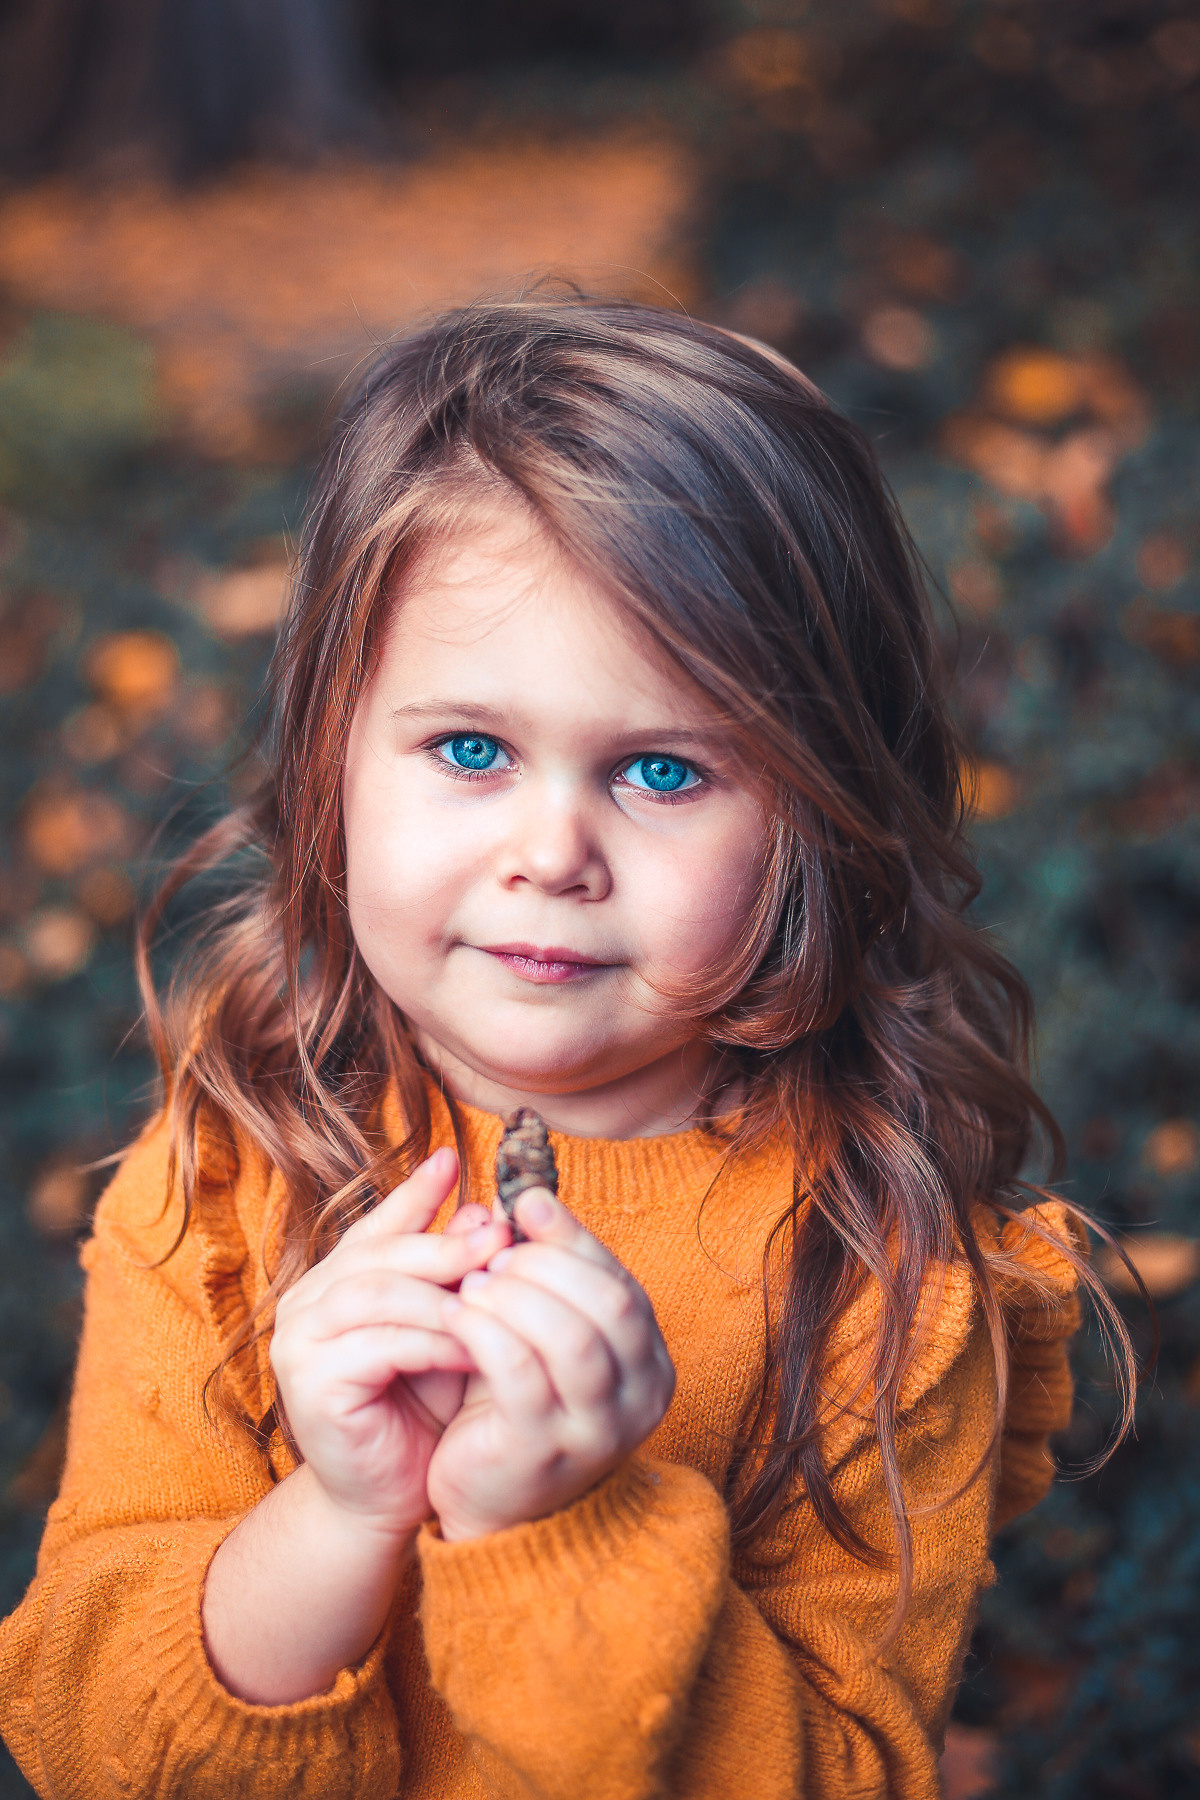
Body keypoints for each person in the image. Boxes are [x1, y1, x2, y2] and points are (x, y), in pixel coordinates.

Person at [0, 298, 1134, 1799]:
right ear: (335, 744)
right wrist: (342, 1519)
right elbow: (92, 1734)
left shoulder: (882, 1267)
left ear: (820, 812)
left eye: (663, 770)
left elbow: (842, 1773)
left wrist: (567, 1520)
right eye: (470, 749)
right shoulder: (230, 1182)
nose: (553, 854)